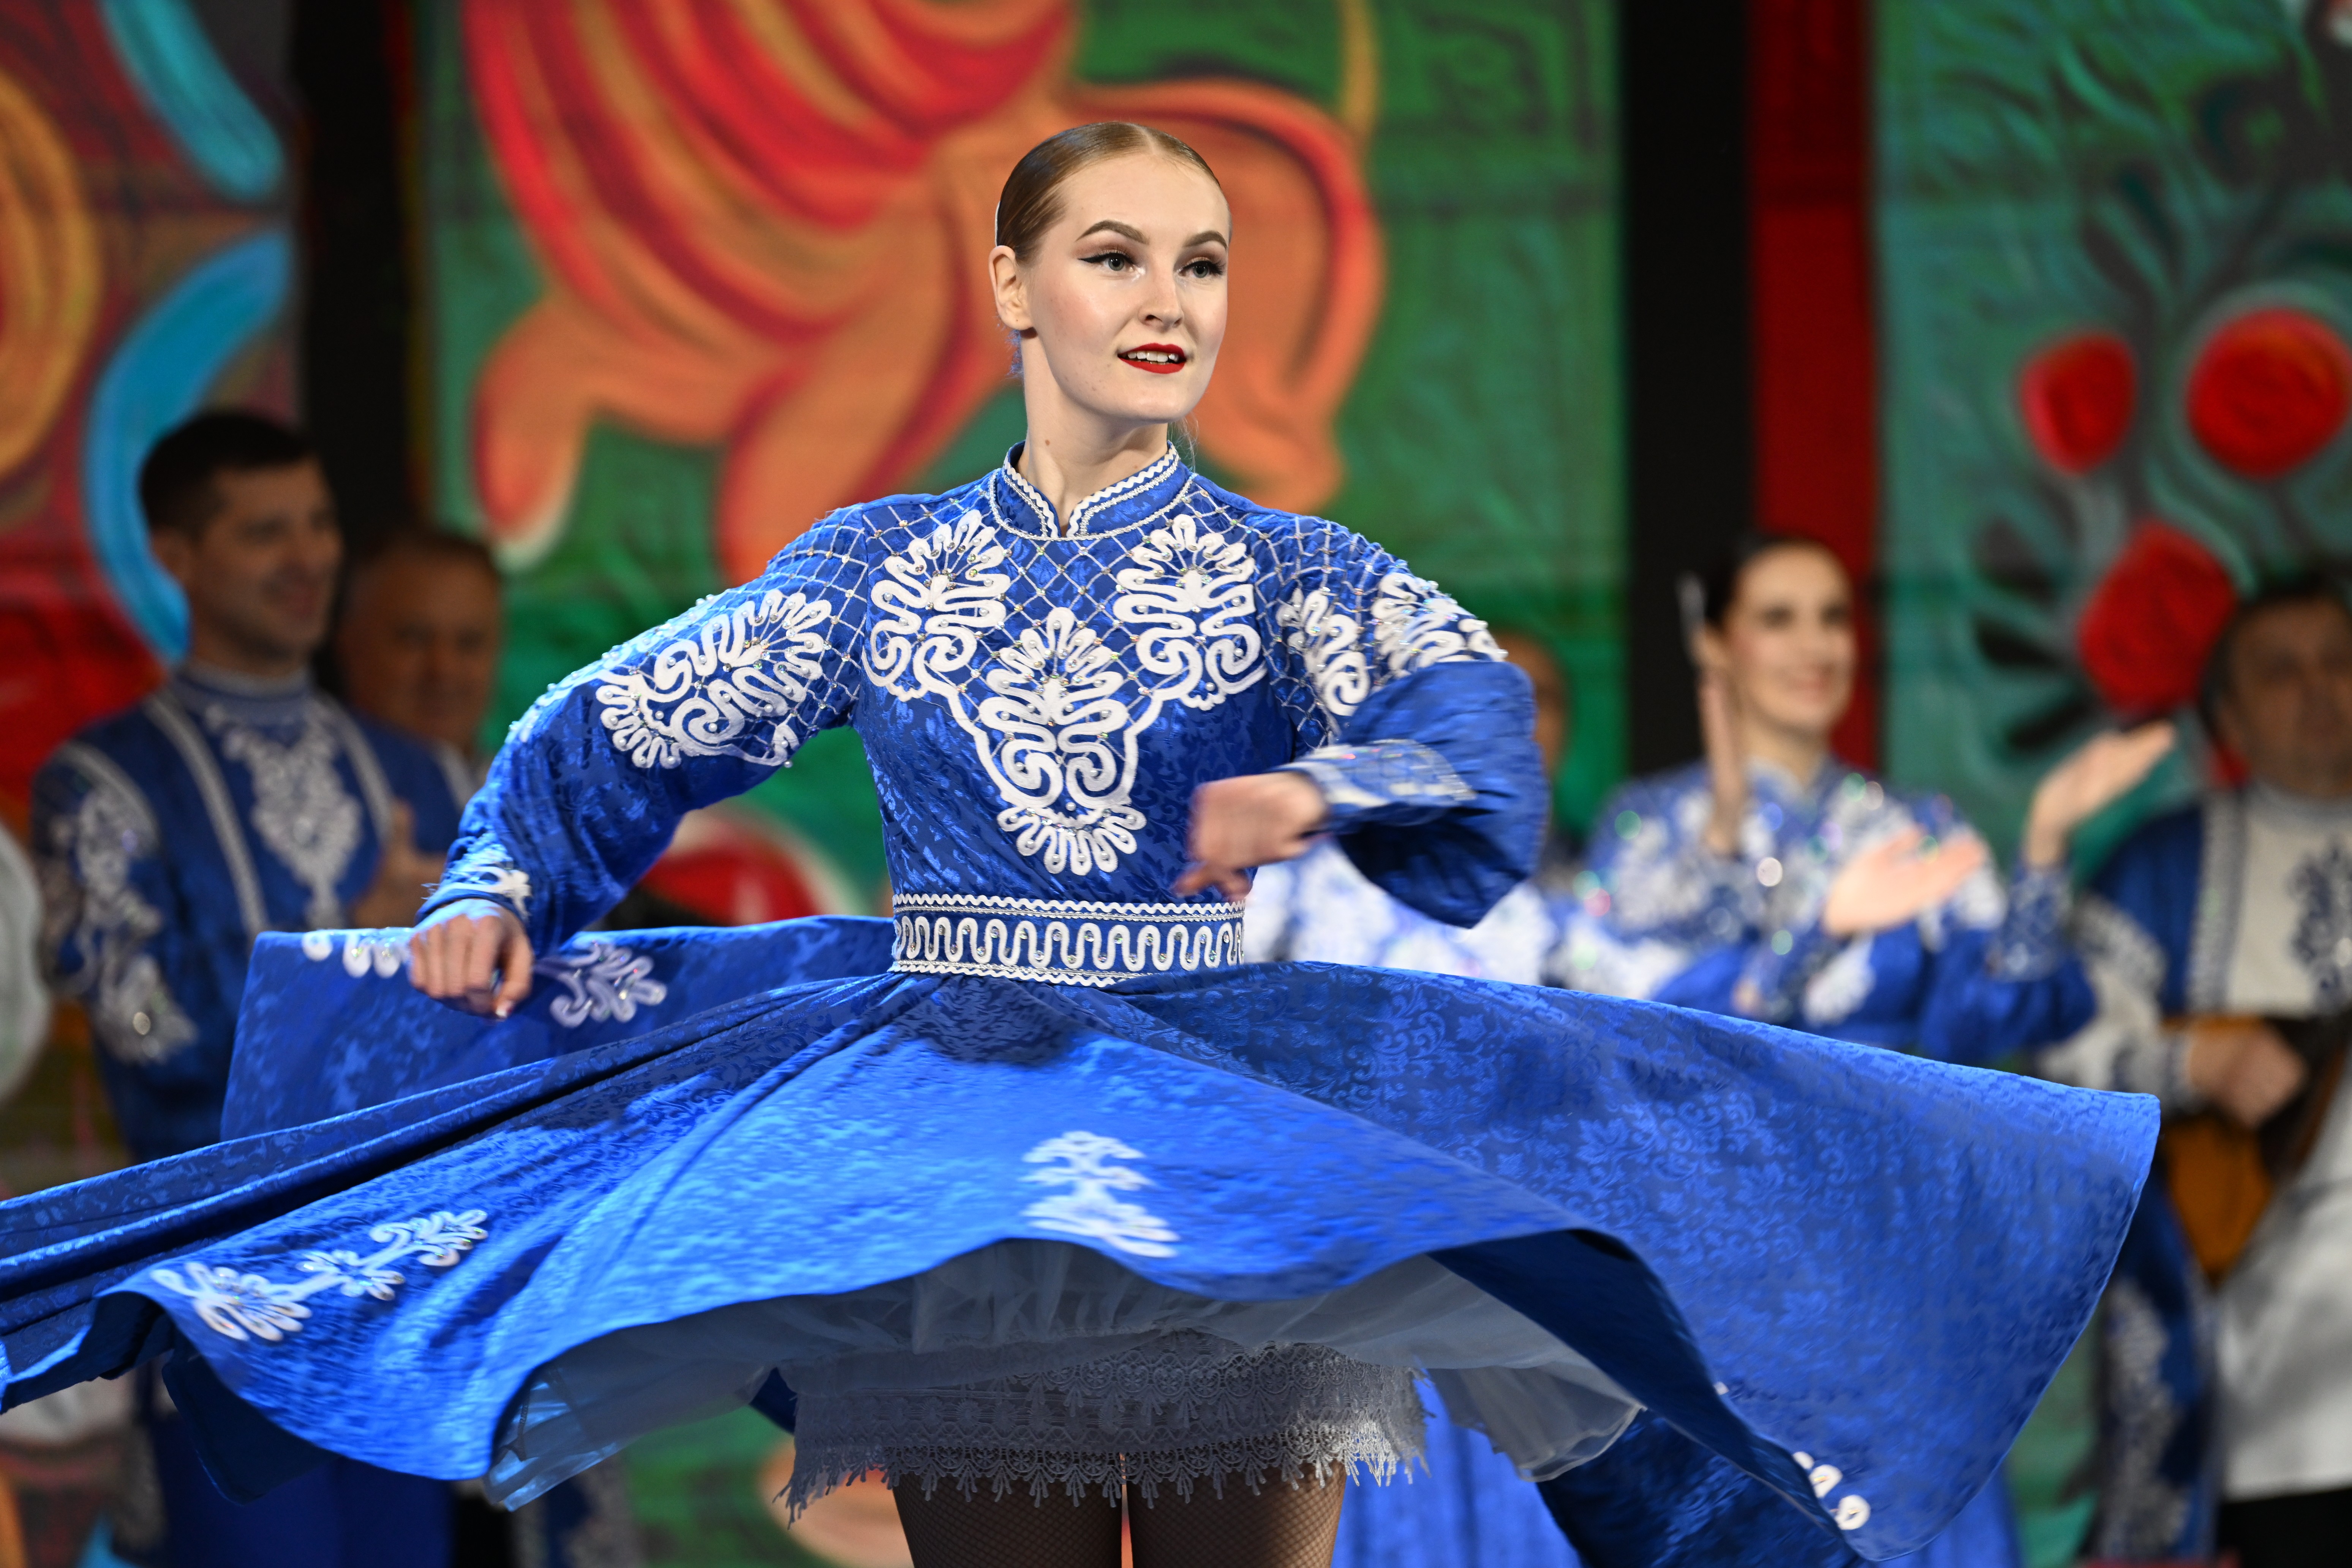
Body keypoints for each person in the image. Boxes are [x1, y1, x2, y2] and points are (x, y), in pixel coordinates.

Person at [0, 128, 2150, 1568]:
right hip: (961, 1130)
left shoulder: (1289, 565)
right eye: (1113, 255)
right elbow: (624, 720)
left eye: (1200, 260)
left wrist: (1327, 787)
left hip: (1219, 1117)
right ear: (1012, 284)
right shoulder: (880, 566)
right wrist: (495, 881)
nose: (1163, 295)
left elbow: (1474, 722)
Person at [1545, 534, 2170, 1568]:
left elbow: (1988, 1020)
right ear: (1716, 646)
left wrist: (2045, 843)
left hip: (1880, 1239)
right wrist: (1817, 927)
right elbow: (1621, 1025)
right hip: (1714, 1245)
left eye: (1832, 617)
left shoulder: (1908, 825)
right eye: (1778, 617)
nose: (1815, 645)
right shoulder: (1655, 829)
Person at [26, 411, 465, 1568]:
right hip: (225, 1317)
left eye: (319, 523)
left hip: (404, 1311)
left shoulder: (423, 774)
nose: (308, 557)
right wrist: (347, 950)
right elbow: (152, 1034)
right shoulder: (104, 786)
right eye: (265, 531)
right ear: (176, 555)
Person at [2007, 577, 2352, 1568]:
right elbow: (2062, 1052)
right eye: (2281, 672)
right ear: (2228, 718)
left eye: (2338, 663)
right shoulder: (2166, 868)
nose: (2319, 691)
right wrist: (2195, 1060)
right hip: (2267, 1393)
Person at [1246, 629, 1580, 1568]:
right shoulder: (1303, 883)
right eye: (1481, 702)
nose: (1510, 727)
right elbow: (1186, 1002)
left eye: (1534, 702)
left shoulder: (1567, 908)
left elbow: (1674, 1019)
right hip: (1339, 1287)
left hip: (1505, 1296)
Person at [1244, 628, 1575, 983]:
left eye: (1539, 697)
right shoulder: (1308, 862)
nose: (1514, 718)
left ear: (1568, 725)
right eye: (1487, 698)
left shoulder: (1585, 884)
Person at [330, 528, 506, 805]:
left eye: (469, 643)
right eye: (414, 639)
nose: (444, 670)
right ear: (349, 642)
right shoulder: (316, 800)